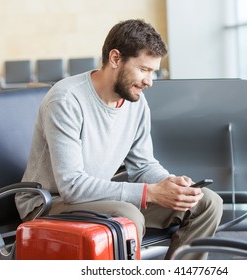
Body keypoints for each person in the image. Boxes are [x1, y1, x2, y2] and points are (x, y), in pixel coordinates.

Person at [15, 19, 223, 260]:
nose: (150, 81)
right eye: (144, 69)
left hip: (95, 198)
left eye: (153, 71)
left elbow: (143, 165)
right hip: (49, 203)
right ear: (115, 59)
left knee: (207, 203)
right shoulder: (66, 100)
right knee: (127, 216)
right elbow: (72, 186)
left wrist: (169, 184)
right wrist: (150, 194)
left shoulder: (136, 102)